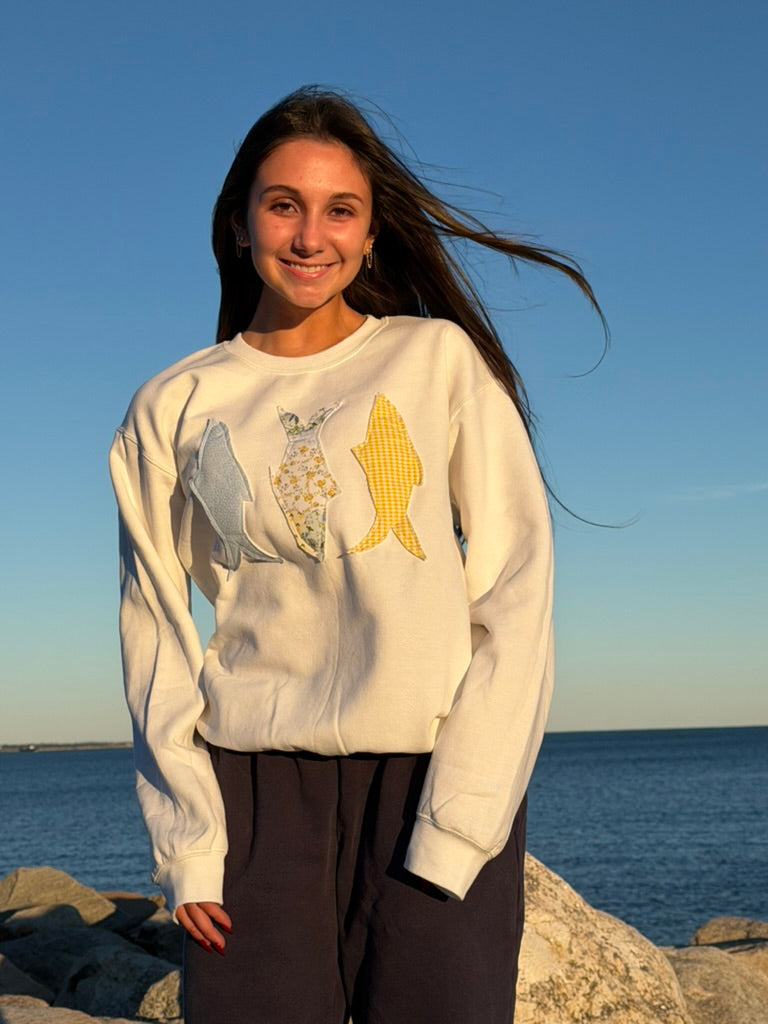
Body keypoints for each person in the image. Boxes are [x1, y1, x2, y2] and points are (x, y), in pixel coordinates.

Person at [109, 86, 603, 1024]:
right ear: (238, 221)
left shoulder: (436, 361)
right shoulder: (174, 404)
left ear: (372, 235)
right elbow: (155, 632)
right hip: (251, 801)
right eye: (283, 205)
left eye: (340, 210)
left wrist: (463, 817)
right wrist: (191, 845)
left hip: (425, 785)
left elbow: (515, 591)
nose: (310, 236)